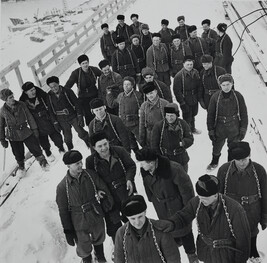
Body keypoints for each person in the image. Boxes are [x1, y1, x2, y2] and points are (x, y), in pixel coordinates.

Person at [170, 174, 251, 263]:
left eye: (204, 198)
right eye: (200, 197)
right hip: (207, 253)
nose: (201, 200)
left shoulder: (235, 209)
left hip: (227, 255)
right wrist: (170, 223)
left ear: (215, 195)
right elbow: (183, 216)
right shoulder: (197, 202)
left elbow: (243, 241)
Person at [135, 149, 198, 263]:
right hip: (162, 208)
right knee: (168, 232)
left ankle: (192, 257)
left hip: (178, 208)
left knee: (185, 233)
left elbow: (187, 192)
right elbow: (147, 185)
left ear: (151, 162)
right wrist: (152, 198)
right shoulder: (145, 169)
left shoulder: (174, 169)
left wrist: (188, 211)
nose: (141, 165)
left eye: (142, 162)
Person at [56, 150, 114, 263]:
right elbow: (63, 210)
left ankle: (100, 256)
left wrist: (103, 194)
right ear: (68, 166)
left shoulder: (90, 175)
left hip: (95, 212)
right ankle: (87, 260)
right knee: (82, 243)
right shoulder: (63, 187)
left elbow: (103, 187)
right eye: (76, 163)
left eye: (81, 162)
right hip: (78, 219)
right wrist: (68, 230)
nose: (80, 165)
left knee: (99, 236)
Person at [217, 141, 267, 263]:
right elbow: (219, 194)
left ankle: (252, 250)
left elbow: (265, 194)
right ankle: (236, 251)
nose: (242, 162)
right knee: (233, 231)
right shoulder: (224, 170)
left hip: (253, 208)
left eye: (244, 158)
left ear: (249, 155)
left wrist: (264, 215)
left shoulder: (259, 170)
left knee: (252, 230)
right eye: (238, 159)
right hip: (232, 209)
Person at [86, 132, 136, 243]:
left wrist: (129, 179)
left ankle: (137, 244)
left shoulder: (119, 151)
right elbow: (91, 179)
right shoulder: (91, 161)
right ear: (94, 147)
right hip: (108, 199)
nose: (104, 148)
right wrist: (97, 190)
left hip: (125, 193)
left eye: (105, 144)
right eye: (100, 146)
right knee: (114, 227)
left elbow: (131, 166)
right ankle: (119, 248)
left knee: (132, 220)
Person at [114, 194, 181, 263]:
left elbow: (173, 258)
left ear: (145, 212)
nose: (137, 222)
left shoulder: (161, 230)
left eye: (140, 217)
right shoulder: (121, 233)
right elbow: (118, 259)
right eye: (133, 218)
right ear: (127, 218)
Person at [207, 74, 248, 171]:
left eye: (228, 84)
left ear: (232, 84)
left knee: (234, 147)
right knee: (217, 146)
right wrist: (211, 130)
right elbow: (210, 115)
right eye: (223, 85)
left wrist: (243, 129)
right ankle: (214, 162)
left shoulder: (238, 96)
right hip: (220, 127)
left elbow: (244, 113)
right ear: (220, 85)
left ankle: (230, 165)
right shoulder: (215, 97)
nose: (226, 87)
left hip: (234, 127)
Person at [0, 88, 48, 171]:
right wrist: (2, 139)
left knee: (35, 147)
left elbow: (29, 117)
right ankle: (21, 166)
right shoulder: (2, 111)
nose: (13, 99)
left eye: (12, 96)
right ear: (5, 100)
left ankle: (43, 162)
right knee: (18, 153)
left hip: (25, 131)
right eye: (10, 98)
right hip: (13, 134)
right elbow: (0, 126)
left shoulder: (21, 105)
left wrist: (34, 129)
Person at [19, 81, 65, 161]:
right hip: (37, 124)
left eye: (34, 89)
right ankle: (48, 152)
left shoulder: (42, 95)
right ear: (26, 92)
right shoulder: (23, 102)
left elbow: (50, 106)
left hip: (48, 120)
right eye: (31, 91)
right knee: (43, 141)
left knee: (56, 137)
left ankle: (61, 148)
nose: (34, 92)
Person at [46, 76, 90, 151]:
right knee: (67, 136)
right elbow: (50, 110)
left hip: (72, 115)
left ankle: (89, 143)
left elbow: (76, 103)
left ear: (58, 83)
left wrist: (80, 115)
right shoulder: (49, 96)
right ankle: (70, 149)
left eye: (55, 86)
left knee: (80, 131)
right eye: (51, 87)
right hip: (61, 119)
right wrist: (55, 122)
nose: (54, 89)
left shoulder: (67, 91)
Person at [151, 103, 193, 172]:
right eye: (167, 115)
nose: (169, 118)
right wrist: (160, 159)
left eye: (172, 116)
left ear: (176, 115)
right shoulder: (159, 126)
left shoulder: (183, 124)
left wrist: (182, 143)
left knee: (183, 179)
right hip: (167, 159)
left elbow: (190, 139)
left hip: (181, 158)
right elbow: (154, 145)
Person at [106, 76, 143, 153]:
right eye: (124, 84)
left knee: (142, 141)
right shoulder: (120, 96)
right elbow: (112, 104)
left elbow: (143, 108)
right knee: (131, 143)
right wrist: (109, 94)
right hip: (124, 124)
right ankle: (138, 155)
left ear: (132, 85)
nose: (126, 86)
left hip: (136, 124)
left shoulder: (138, 95)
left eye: (128, 84)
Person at [64, 54, 102, 125]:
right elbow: (68, 86)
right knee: (89, 116)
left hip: (94, 95)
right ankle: (92, 131)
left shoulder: (94, 69)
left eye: (86, 62)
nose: (85, 65)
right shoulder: (76, 73)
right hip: (84, 98)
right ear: (80, 64)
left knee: (98, 113)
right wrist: (66, 95)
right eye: (83, 63)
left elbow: (103, 76)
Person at [173, 55, 201, 134]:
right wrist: (182, 102)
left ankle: (193, 128)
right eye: (187, 64)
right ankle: (186, 131)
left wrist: (198, 96)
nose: (189, 66)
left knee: (194, 113)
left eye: (191, 64)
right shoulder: (179, 76)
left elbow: (199, 85)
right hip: (185, 98)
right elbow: (176, 91)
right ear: (183, 64)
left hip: (194, 97)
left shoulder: (195, 72)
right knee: (187, 115)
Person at [139, 82, 168, 147]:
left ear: (156, 91)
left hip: (163, 133)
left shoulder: (165, 104)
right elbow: (142, 123)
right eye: (148, 94)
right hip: (150, 135)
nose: (150, 96)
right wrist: (142, 139)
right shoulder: (144, 106)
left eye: (151, 93)